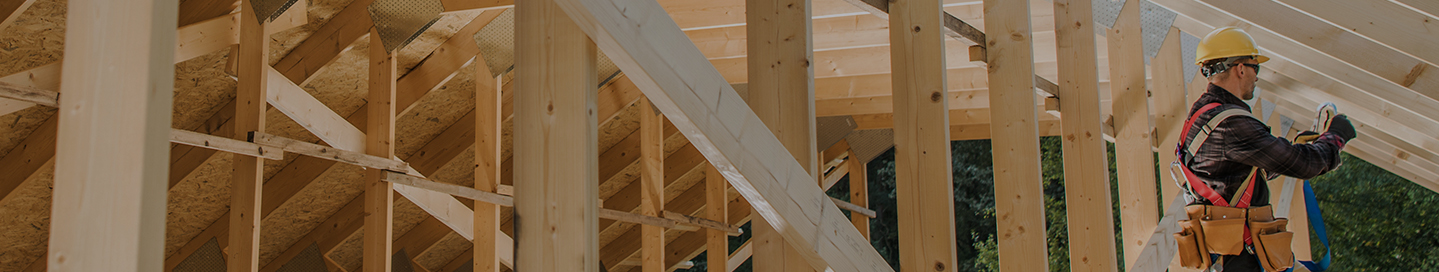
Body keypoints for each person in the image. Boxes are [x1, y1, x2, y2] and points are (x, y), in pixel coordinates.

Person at [1181, 27, 1356, 271]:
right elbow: (1307, 165)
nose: (1257, 76)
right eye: (1256, 67)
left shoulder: (1201, 114)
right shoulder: (1233, 123)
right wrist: (1338, 135)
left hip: (1220, 253)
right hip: (1240, 257)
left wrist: (1290, 149)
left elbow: (1242, 173)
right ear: (1240, 68)